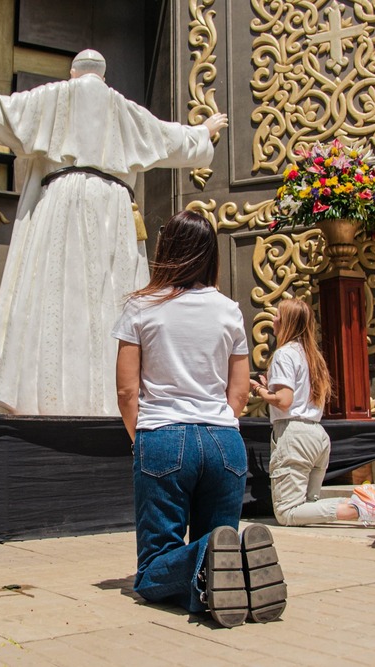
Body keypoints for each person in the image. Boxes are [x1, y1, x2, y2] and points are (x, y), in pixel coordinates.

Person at [0, 50, 228, 416]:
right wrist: (202, 133)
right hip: (112, 208)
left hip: (62, 200)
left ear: (73, 72)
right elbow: (167, 137)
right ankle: (109, 403)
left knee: (54, 295)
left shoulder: (54, 95)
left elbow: (3, 113)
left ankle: (47, 399)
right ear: (103, 76)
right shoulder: (124, 108)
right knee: (110, 302)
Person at [113, 211, 286, 628]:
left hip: (163, 436)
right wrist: (220, 422)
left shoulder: (140, 306)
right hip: (225, 440)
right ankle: (230, 568)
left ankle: (211, 560)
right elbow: (240, 391)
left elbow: (126, 391)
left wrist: (142, 438)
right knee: (218, 547)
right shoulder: (229, 310)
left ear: (166, 250)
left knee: (152, 571)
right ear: (211, 255)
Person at [250, 299, 375, 529]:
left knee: (287, 512)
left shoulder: (284, 354)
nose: (274, 320)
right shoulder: (313, 357)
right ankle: (365, 503)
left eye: (278, 315)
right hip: (317, 434)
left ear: (288, 322)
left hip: (294, 434)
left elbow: (284, 401)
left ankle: (358, 507)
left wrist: (261, 390)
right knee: (308, 505)